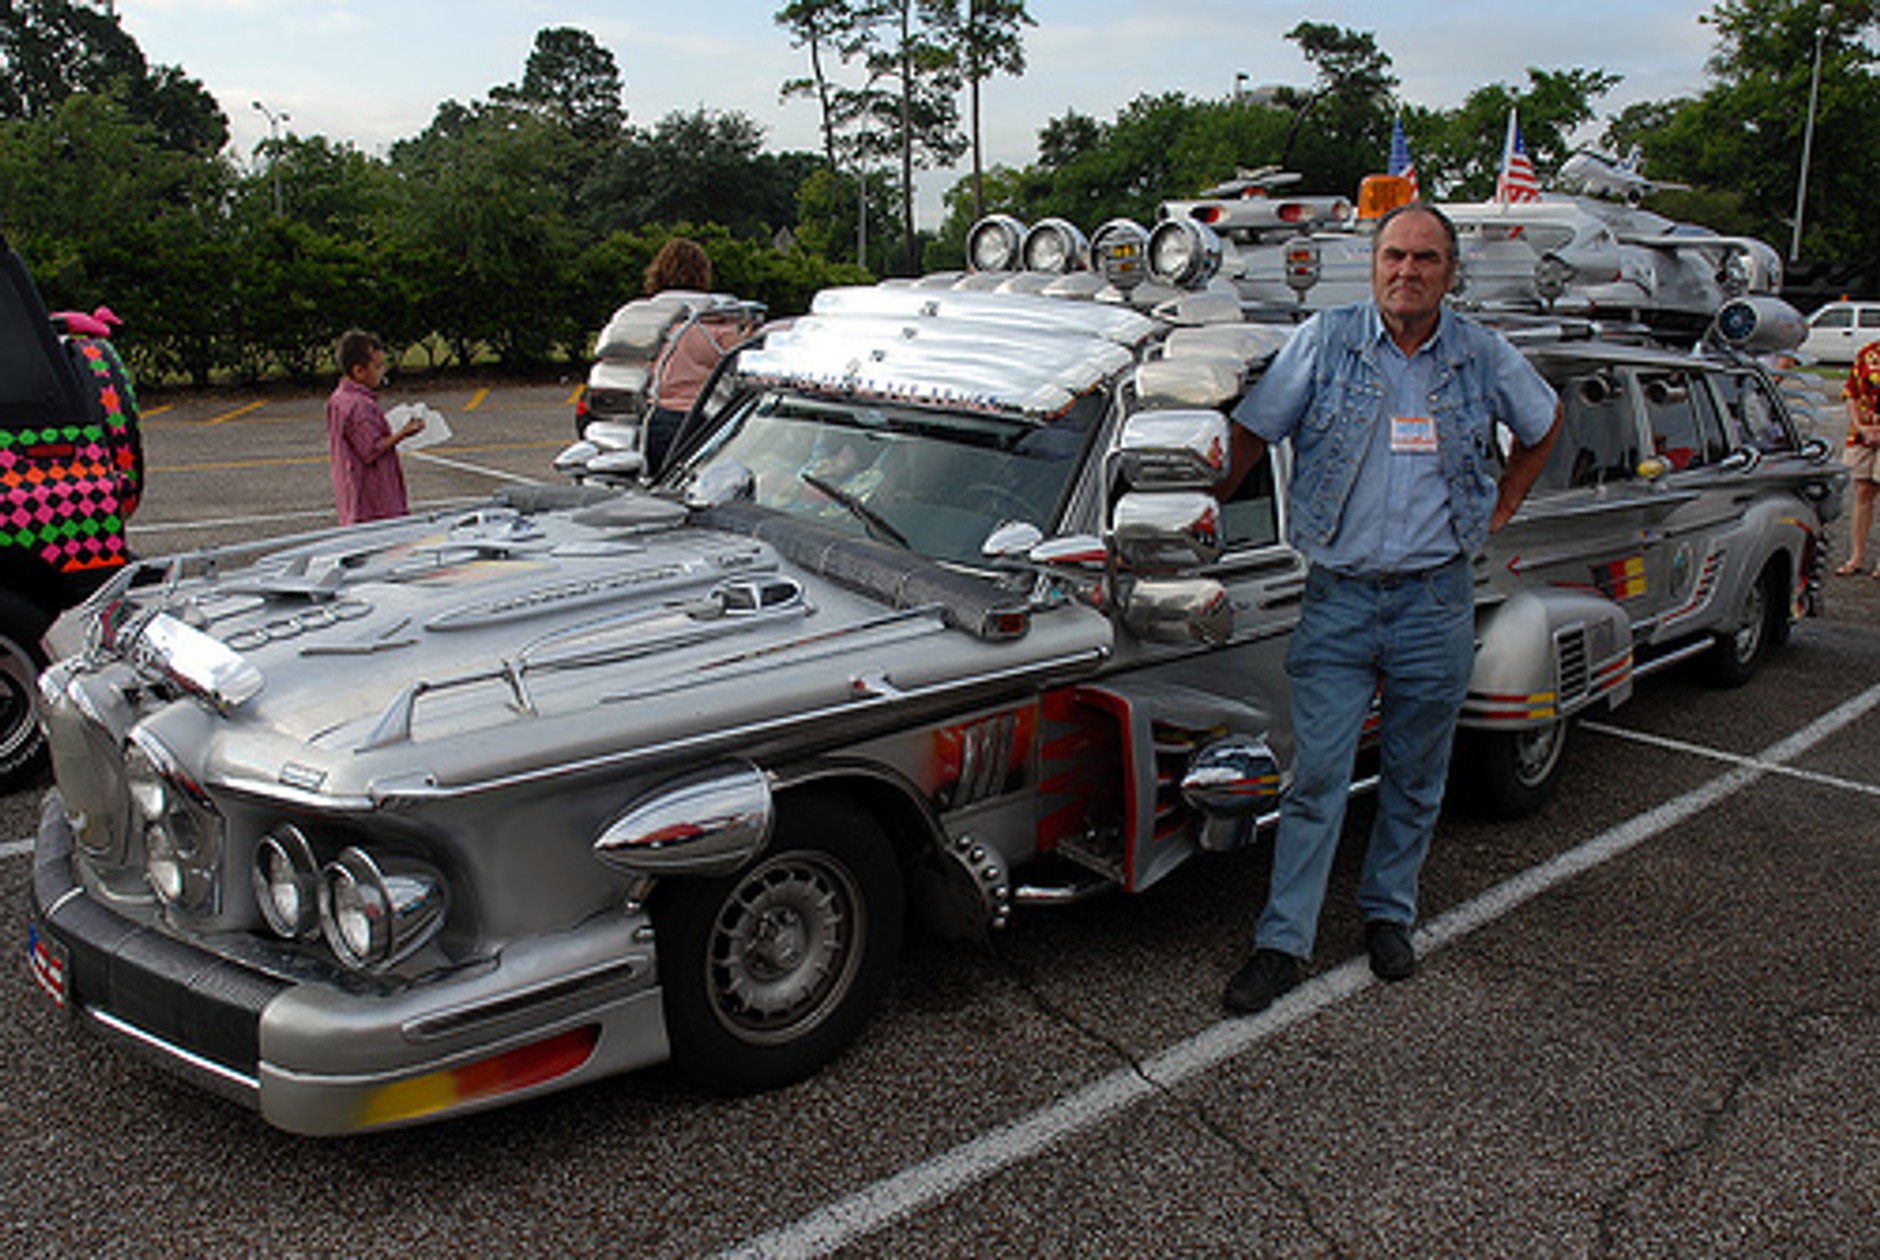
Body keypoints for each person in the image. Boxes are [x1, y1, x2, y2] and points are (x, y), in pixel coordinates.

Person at [1218, 202, 1562, 1015]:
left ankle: (1388, 915)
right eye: (1394, 257)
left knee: (1415, 774)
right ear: (1372, 265)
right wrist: (1199, 512)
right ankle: (1282, 942)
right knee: (1319, 777)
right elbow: (1251, 431)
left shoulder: (1481, 355)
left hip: (1435, 600)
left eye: (1426, 259)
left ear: (1450, 273)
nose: (1408, 271)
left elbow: (1544, 424)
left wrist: (1505, 500)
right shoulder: (1324, 340)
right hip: (1337, 599)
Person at [642, 238, 753, 474]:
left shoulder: (653, 321)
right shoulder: (717, 324)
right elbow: (740, 367)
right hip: (699, 420)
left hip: (654, 416)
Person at [326, 329, 422, 525]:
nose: (382, 371)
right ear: (358, 371)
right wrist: (403, 433)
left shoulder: (339, 399)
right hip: (372, 500)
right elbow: (371, 449)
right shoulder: (359, 405)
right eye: (377, 366)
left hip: (350, 492)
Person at [1834, 339, 1880, 576]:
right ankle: (1857, 556)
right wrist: (1861, 426)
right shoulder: (1868, 353)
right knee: (1863, 492)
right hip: (1863, 434)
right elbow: (1852, 393)